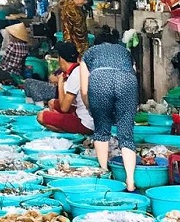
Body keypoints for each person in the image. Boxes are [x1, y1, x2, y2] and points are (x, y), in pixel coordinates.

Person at [79, 34, 138, 190]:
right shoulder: (124, 51)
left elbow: (84, 90)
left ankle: (105, 171)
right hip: (127, 81)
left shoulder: (89, 54)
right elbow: (133, 74)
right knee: (126, 133)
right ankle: (131, 181)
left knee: (102, 130)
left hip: (100, 81)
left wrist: (90, 107)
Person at [37, 41, 92, 134]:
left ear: (61, 59)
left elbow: (64, 108)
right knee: (52, 103)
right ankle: (65, 124)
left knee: (41, 116)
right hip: (86, 114)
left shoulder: (75, 74)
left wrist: (60, 83)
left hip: (86, 124)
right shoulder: (78, 69)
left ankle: (70, 132)